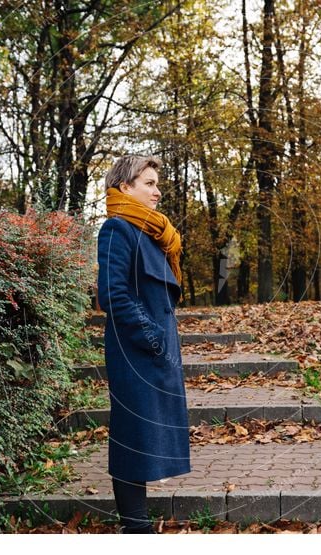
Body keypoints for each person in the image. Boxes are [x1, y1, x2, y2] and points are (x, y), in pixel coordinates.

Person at [96, 155, 190, 534]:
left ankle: (138, 525)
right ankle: (135, 528)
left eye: (157, 183)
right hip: (136, 351)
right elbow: (112, 294)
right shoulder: (117, 229)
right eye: (148, 183)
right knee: (133, 436)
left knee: (147, 433)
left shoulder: (154, 235)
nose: (157, 190)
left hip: (155, 351)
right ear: (124, 188)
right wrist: (151, 338)